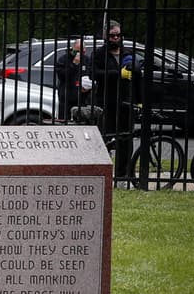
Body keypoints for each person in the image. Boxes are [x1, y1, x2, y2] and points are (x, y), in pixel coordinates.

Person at [91, 21, 142, 181]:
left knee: (126, 139)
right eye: (112, 36)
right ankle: (102, 174)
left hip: (126, 102)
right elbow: (94, 73)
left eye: (118, 35)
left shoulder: (128, 53)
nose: (115, 38)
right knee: (105, 137)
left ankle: (123, 175)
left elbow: (138, 78)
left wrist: (139, 100)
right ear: (106, 37)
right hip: (107, 101)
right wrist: (117, 74)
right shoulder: (99, 54)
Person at [53, 37, 93, 122]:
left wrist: (89, 87)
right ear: (73, 49)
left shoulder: (87, 60)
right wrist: (74, 64)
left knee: (81, 122)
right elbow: (62, 76)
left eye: (82, 51)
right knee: (64, 121)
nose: (79, 54)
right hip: (67, 97)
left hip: (82, 97)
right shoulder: (63, 59)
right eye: (77, 51)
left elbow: (92, 75)